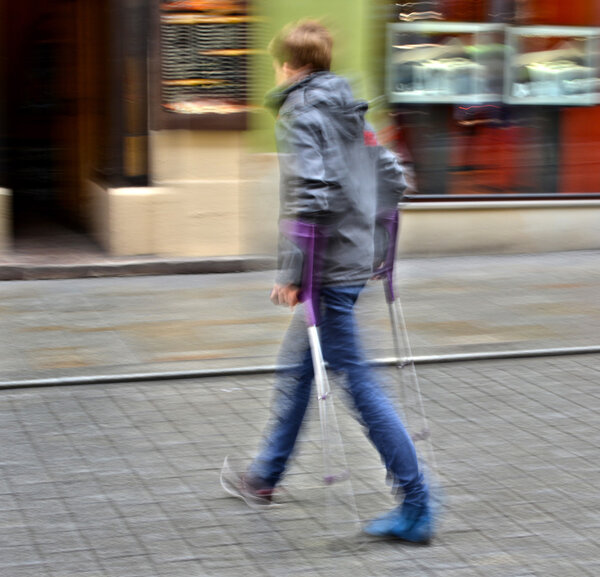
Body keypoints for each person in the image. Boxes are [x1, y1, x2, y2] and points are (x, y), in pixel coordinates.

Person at [221, 20, 436, 544]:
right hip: (352, 262)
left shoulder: (300, 110)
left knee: (359, 384)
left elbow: (310, 194)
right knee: (298, 370)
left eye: (276, 62)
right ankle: (263, 477)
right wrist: (376, 249)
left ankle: (418, 505)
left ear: (289, 65)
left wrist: (294, 275)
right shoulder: (350, 106)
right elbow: (392, 178)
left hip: (330, 270)